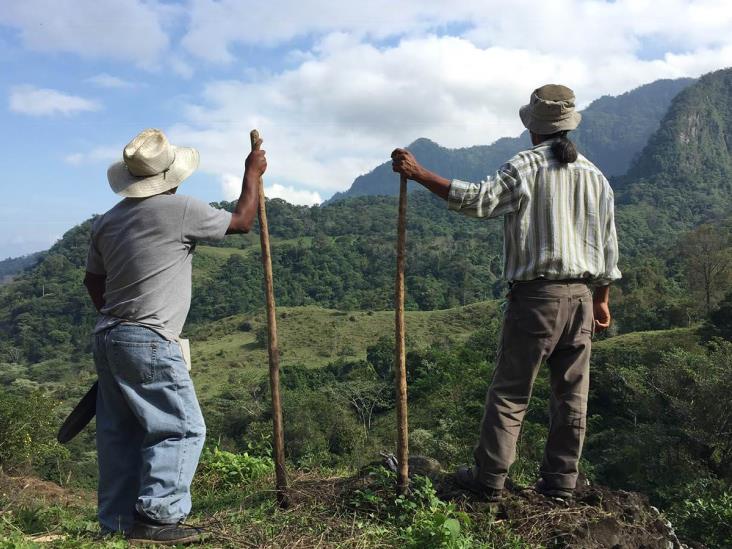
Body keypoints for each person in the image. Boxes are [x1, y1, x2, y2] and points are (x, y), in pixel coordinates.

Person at [391, 84, 621, 501]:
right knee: (572, 395)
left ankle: (489, 480)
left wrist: (420, 174)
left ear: (533, 128)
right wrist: (601, 301)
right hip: (581, 300)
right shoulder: (596, 177)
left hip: (537, 300)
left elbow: (480, 201)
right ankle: (560, 484)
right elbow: (608, 249)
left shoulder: (525, 167)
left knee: (512, 391)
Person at [84, 128, 265, 543]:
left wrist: (119, 317)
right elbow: (241, 222)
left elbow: (93, 280)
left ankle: (115, 524)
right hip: (148, 337)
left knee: (119, 431)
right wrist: (251, 173)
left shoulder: (107, 221)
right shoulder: (179, 209)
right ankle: (158, 516)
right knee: (181, 427)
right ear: (170, 176)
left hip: (108, 334)